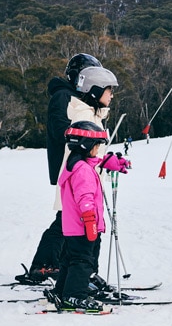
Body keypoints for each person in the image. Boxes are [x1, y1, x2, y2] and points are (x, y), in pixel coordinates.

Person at [15, 53, 102, 285]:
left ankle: (60, 265)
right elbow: (61, 129)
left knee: (67, 219)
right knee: (65, 220)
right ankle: (44, 265)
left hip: (78, 166)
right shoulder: (63, 96)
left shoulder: (76, 97)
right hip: (72, 168)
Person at [55, 121, 128, 312]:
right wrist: (90, 222)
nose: (98, 150)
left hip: (73, 227)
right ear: (86, 146)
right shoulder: (83, 171)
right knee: (83, 261)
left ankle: (62, 290)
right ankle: (74, 296)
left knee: (69, 259)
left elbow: (92, 163)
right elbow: (85, 199)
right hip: (83, 225)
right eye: (96, 146)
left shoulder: (75, 165)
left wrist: (106, 161)